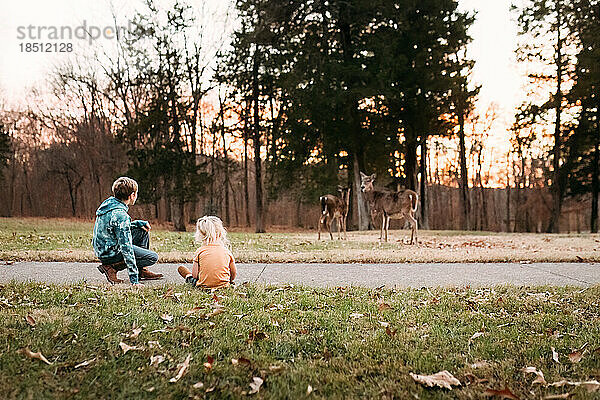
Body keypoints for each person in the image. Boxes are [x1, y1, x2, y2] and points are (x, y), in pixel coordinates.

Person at [92, 177, 163, 286]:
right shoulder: (121, 215)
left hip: (104, 248)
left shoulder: (109, 205)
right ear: (132, 196)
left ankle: (142, 270)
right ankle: (111, 267)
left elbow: (114, 228)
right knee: (152, 257)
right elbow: (126, 248)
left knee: (141, 230)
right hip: (109, 253)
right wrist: (134, 281)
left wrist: (138, 223)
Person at [178, 216, 236, 289]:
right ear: (221, 233)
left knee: (192, 279)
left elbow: (195, 275)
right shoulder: (227, 251)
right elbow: (233, 273)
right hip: (224, 286)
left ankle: (187, 276)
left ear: (201, 234)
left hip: (203, 286)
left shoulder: (200, 251)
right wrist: (229, 281)